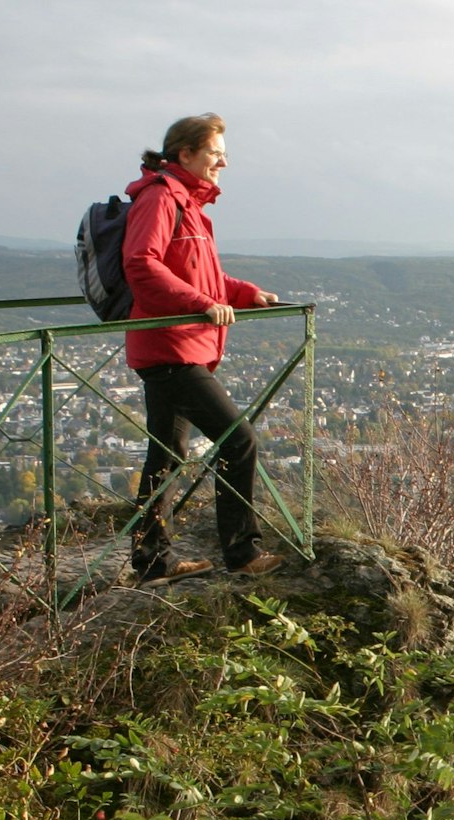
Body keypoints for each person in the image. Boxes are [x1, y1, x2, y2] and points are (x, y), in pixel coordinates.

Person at [122, 112, 283, 584]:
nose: (224, 163)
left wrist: (242, 292)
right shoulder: (160, 199)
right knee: (239, 439)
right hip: (171, 348)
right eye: (216, 153)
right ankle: (243, 553)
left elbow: (204, 278)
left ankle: (153, 562)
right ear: (185, 153)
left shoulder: (188, 205)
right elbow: (142, 265)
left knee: (166, 455)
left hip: (176, 346)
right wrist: (202, 303)